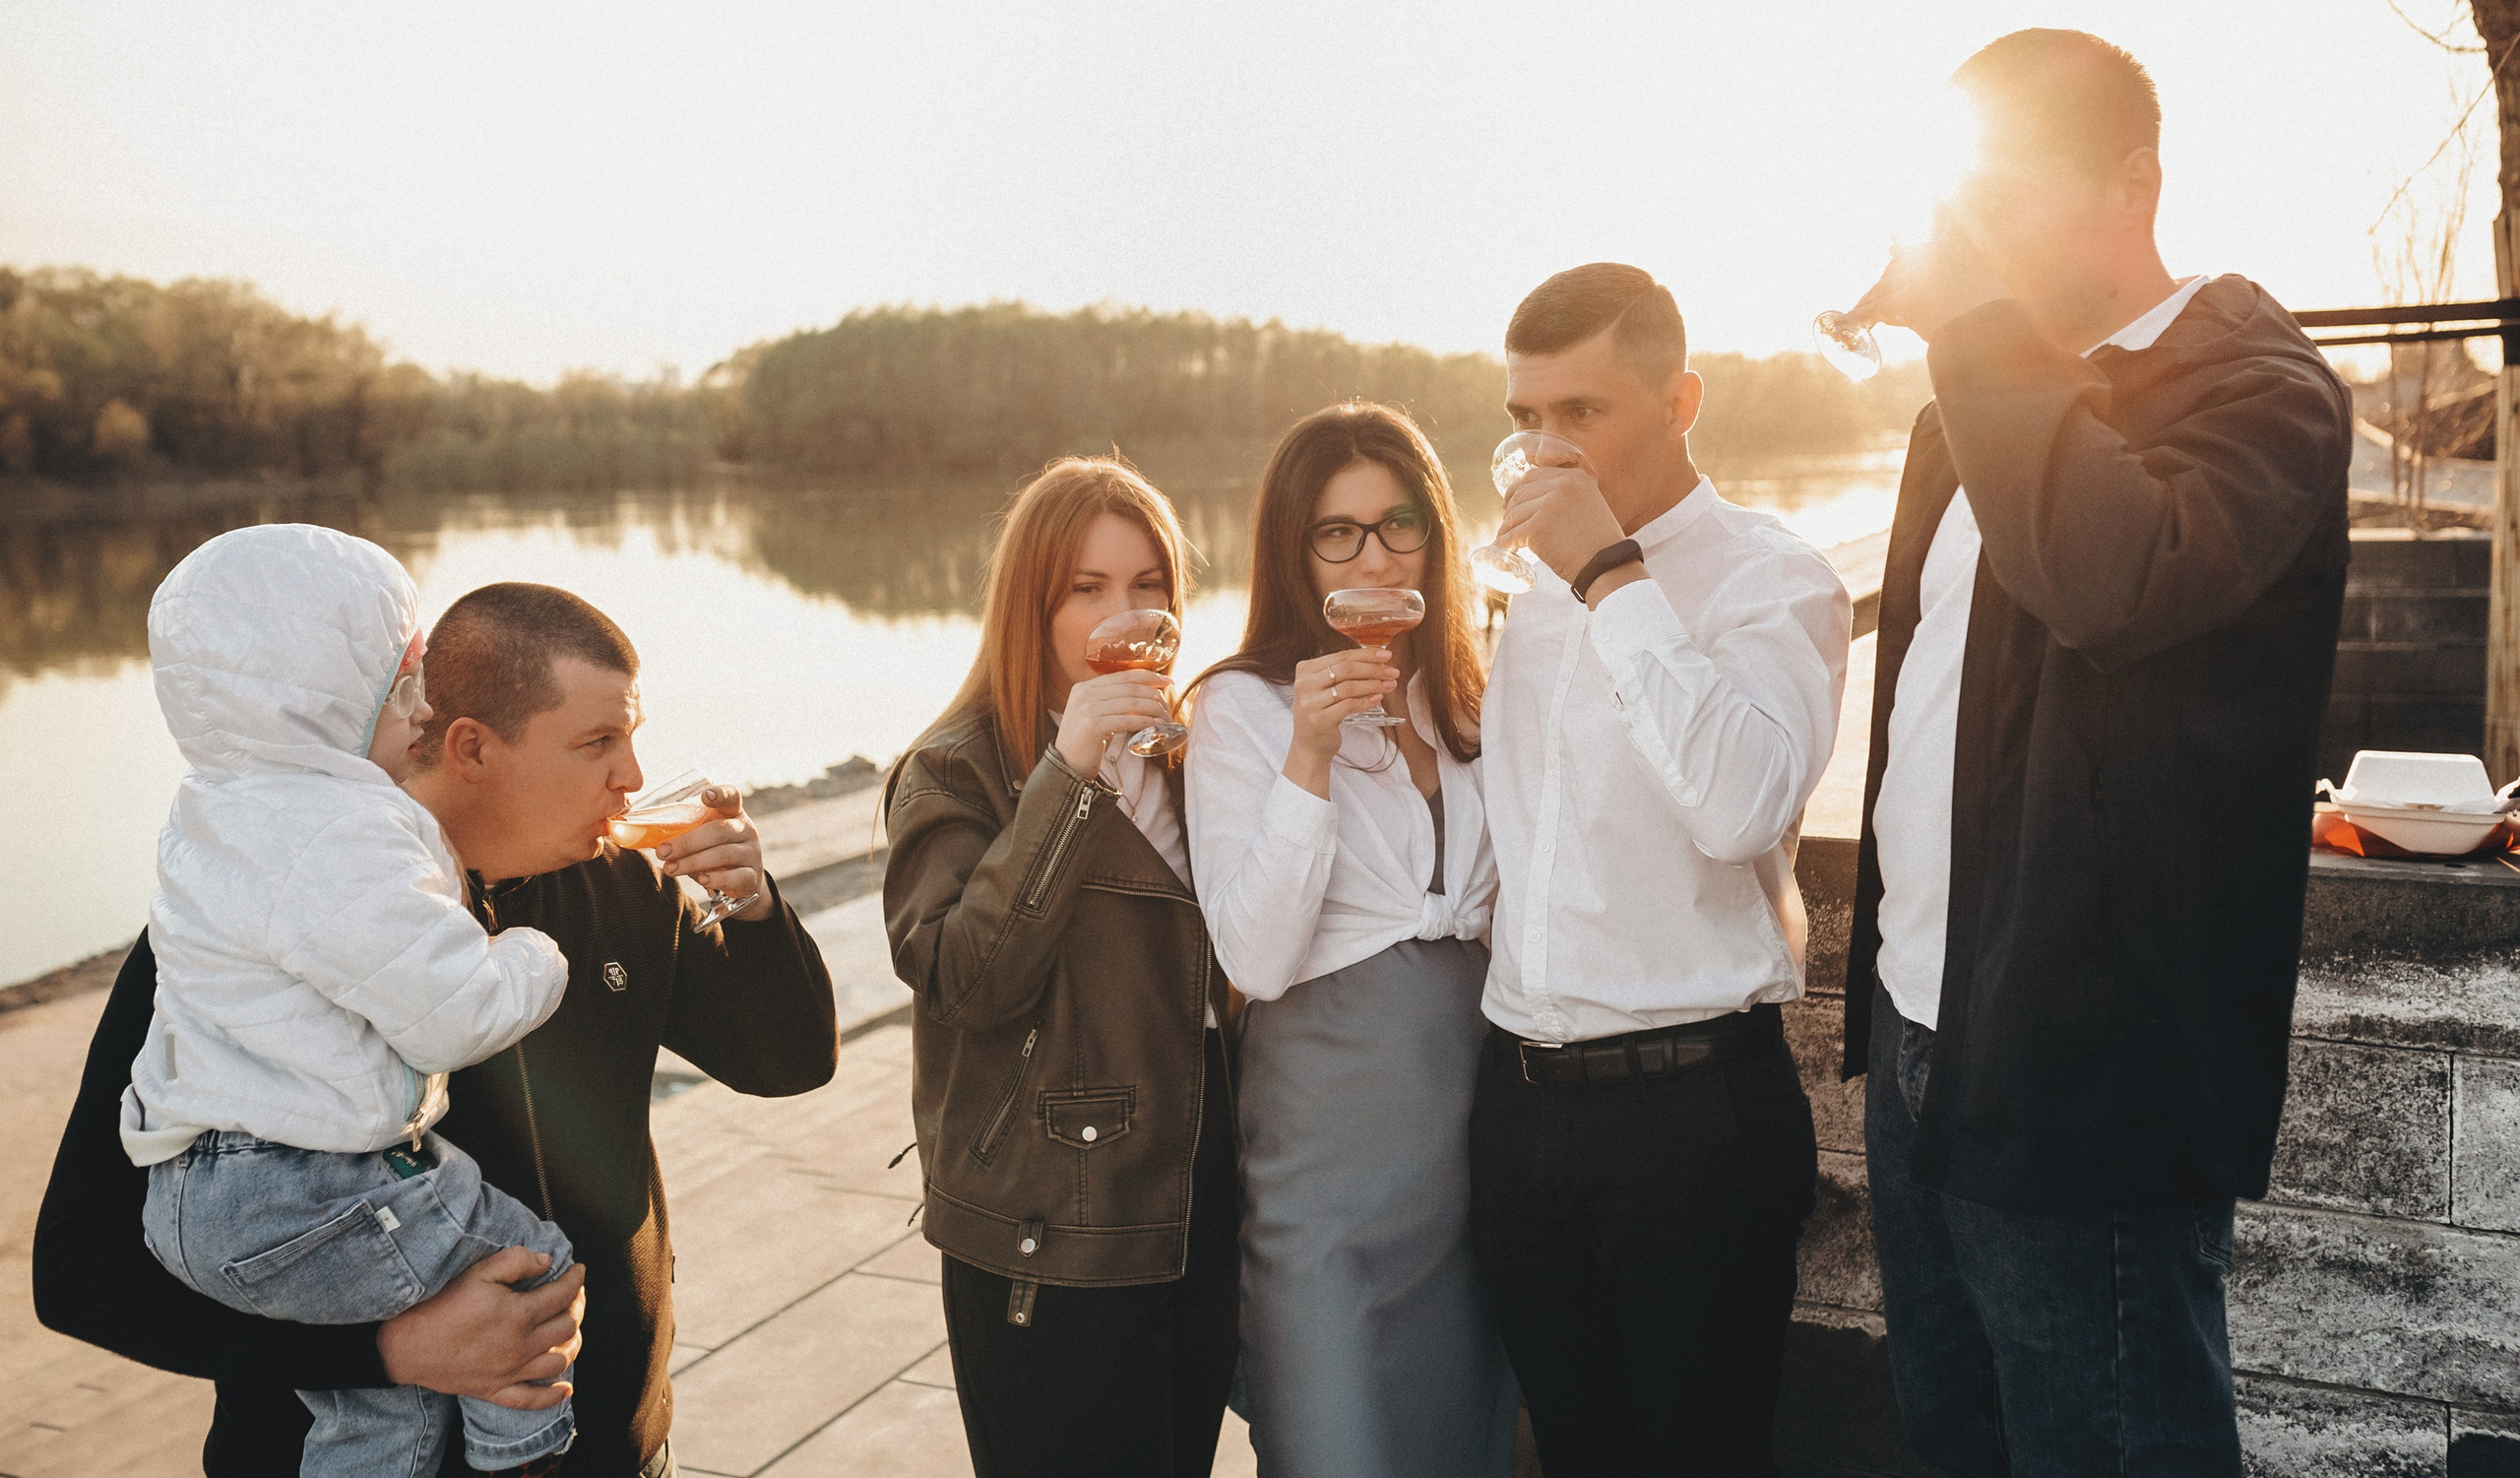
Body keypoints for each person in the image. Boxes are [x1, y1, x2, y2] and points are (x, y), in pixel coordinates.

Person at [1840, 30, 2352, 1476]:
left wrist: (1976, 326)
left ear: (2138, 184)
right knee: (1959, 1443)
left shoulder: (2262, 391)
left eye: (2003, 203)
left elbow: (2112, 581)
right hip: (1924, 1050)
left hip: (2087, 1080)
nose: (1972, 245)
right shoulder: (1979, 407)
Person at [36, 579, 842, 1478]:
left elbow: (790, 1062)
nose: (634, 779)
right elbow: (78, 1271)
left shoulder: (624, 887)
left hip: (619, 1454)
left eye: (632, 736)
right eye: (597, 743)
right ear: (470, 748)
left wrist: (757, 909)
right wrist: (389, 1352)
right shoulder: (244, 920)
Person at [1470, 264, 1850, 1476]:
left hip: (1690, 1125)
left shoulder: (1771, 576)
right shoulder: (1515, 595)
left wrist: (1609, 575)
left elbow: (1741, 804)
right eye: (1526, 417)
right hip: (1517, 1110)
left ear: (1680, 401)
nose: (1546, 450)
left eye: (1582, 413)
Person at [123, 525, 577, 1478]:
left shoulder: (215, 810)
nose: (419, 709)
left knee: (375, 1410)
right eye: (402, 682)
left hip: (196, 1196)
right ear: (333, 693)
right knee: (530, 1259)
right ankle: (525, 1454)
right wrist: (532, 954)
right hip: (298, 1189)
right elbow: (455, 1010)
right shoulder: (343, 835)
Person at [885, 457, 1236, 1478]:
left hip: (1197, 1193)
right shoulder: (955, 768)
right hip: (1054, 1222)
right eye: (1086, 589)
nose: (1123, 614)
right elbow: (963, 982)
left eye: (1147, 586)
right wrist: (1067, 774)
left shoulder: (1184, 753)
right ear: (1030, 605)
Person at [1184, 403, 1519, 1478]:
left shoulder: (1477, 694)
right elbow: (1255, 958)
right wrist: (1310, 756)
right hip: (1328, 1156)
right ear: (1297, 548)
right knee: (1339, 1445)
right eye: (1339, 531)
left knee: (1464, 1441)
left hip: (1479, 1148)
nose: (1373, 555)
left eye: (1399, 524)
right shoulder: (1240, 707)